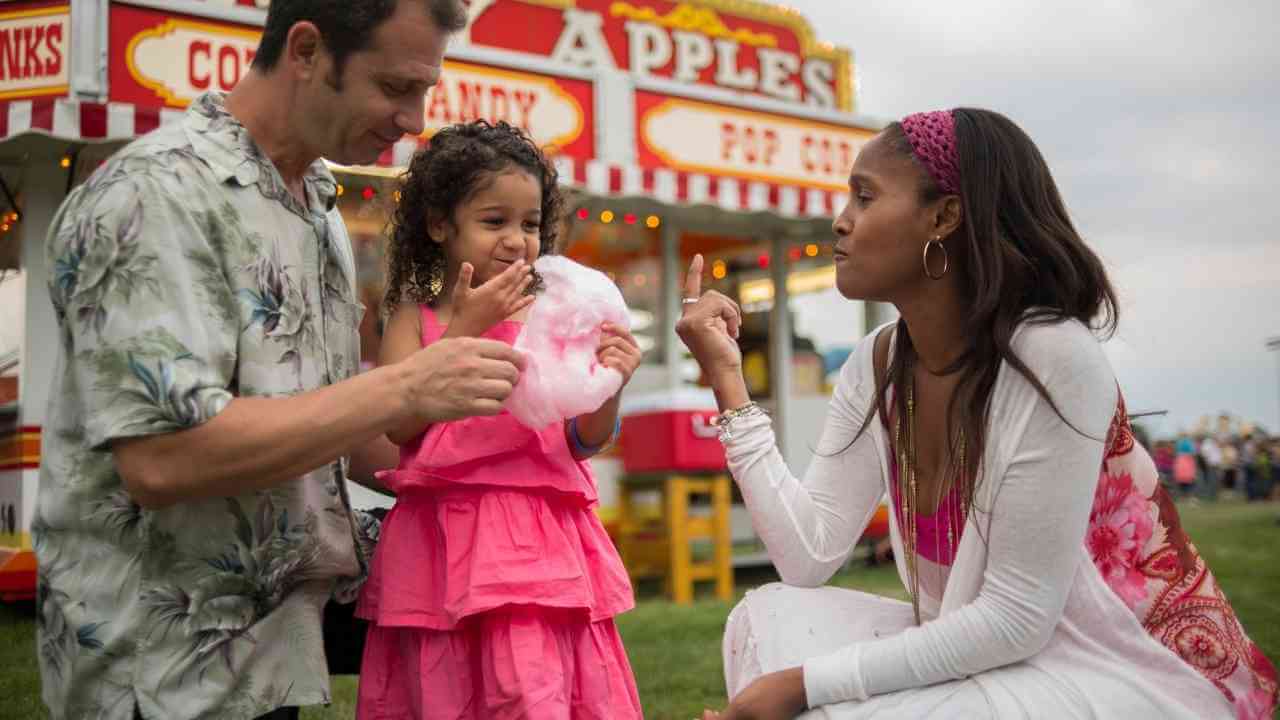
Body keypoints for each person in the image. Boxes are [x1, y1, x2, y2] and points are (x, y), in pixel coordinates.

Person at [677, 109, 1277, 719]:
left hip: (1106, 667)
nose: (840, 221)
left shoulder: (1051, 355)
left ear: (944, 217)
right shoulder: (876, 362)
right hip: (986, 659)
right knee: (767, 618)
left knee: (826, 702)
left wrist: (804, 686)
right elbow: (807, 556)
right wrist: (727, 378)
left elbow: (1016, 620)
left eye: (864, 196)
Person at [29, 2, 535, 719]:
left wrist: (516, 470)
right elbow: (165, 457)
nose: (416, 119)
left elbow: (337, 431)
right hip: (163, 675)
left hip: (273, 648)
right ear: (305, 50)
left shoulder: (316, 204)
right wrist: (403, 386)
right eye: (394, 87)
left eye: (425, 91)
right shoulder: (154, 195)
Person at [354, 120, 645, 719]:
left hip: (539, 535)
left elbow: (580, 438)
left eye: (531, 224)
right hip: (442, 538)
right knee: (446, 684)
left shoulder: (554, 316)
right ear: (440, 225)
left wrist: (611, 385)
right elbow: (399, 426)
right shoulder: (412, 317)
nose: (517, 240)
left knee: (532, 685)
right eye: (495, 222)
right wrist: (466, 328)